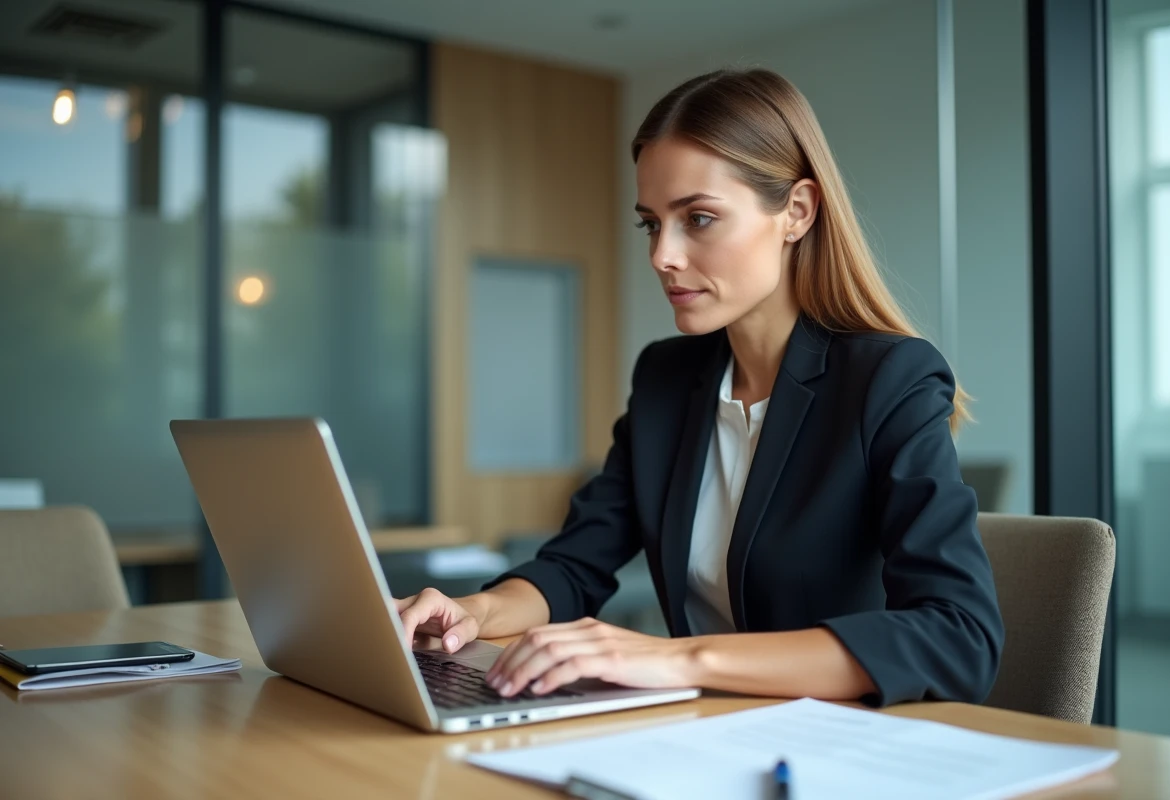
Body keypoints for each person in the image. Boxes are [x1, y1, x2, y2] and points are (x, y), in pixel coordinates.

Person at [394, 68, 1003, 708]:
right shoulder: (667, 379)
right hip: (701, 734)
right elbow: (575, 565)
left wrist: (674, 657)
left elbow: (957, 637)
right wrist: (473, 611)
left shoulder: (890, 380)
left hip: (839, 742)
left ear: (796, 211)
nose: (663, 255)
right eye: (651, 224)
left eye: (700, 218)